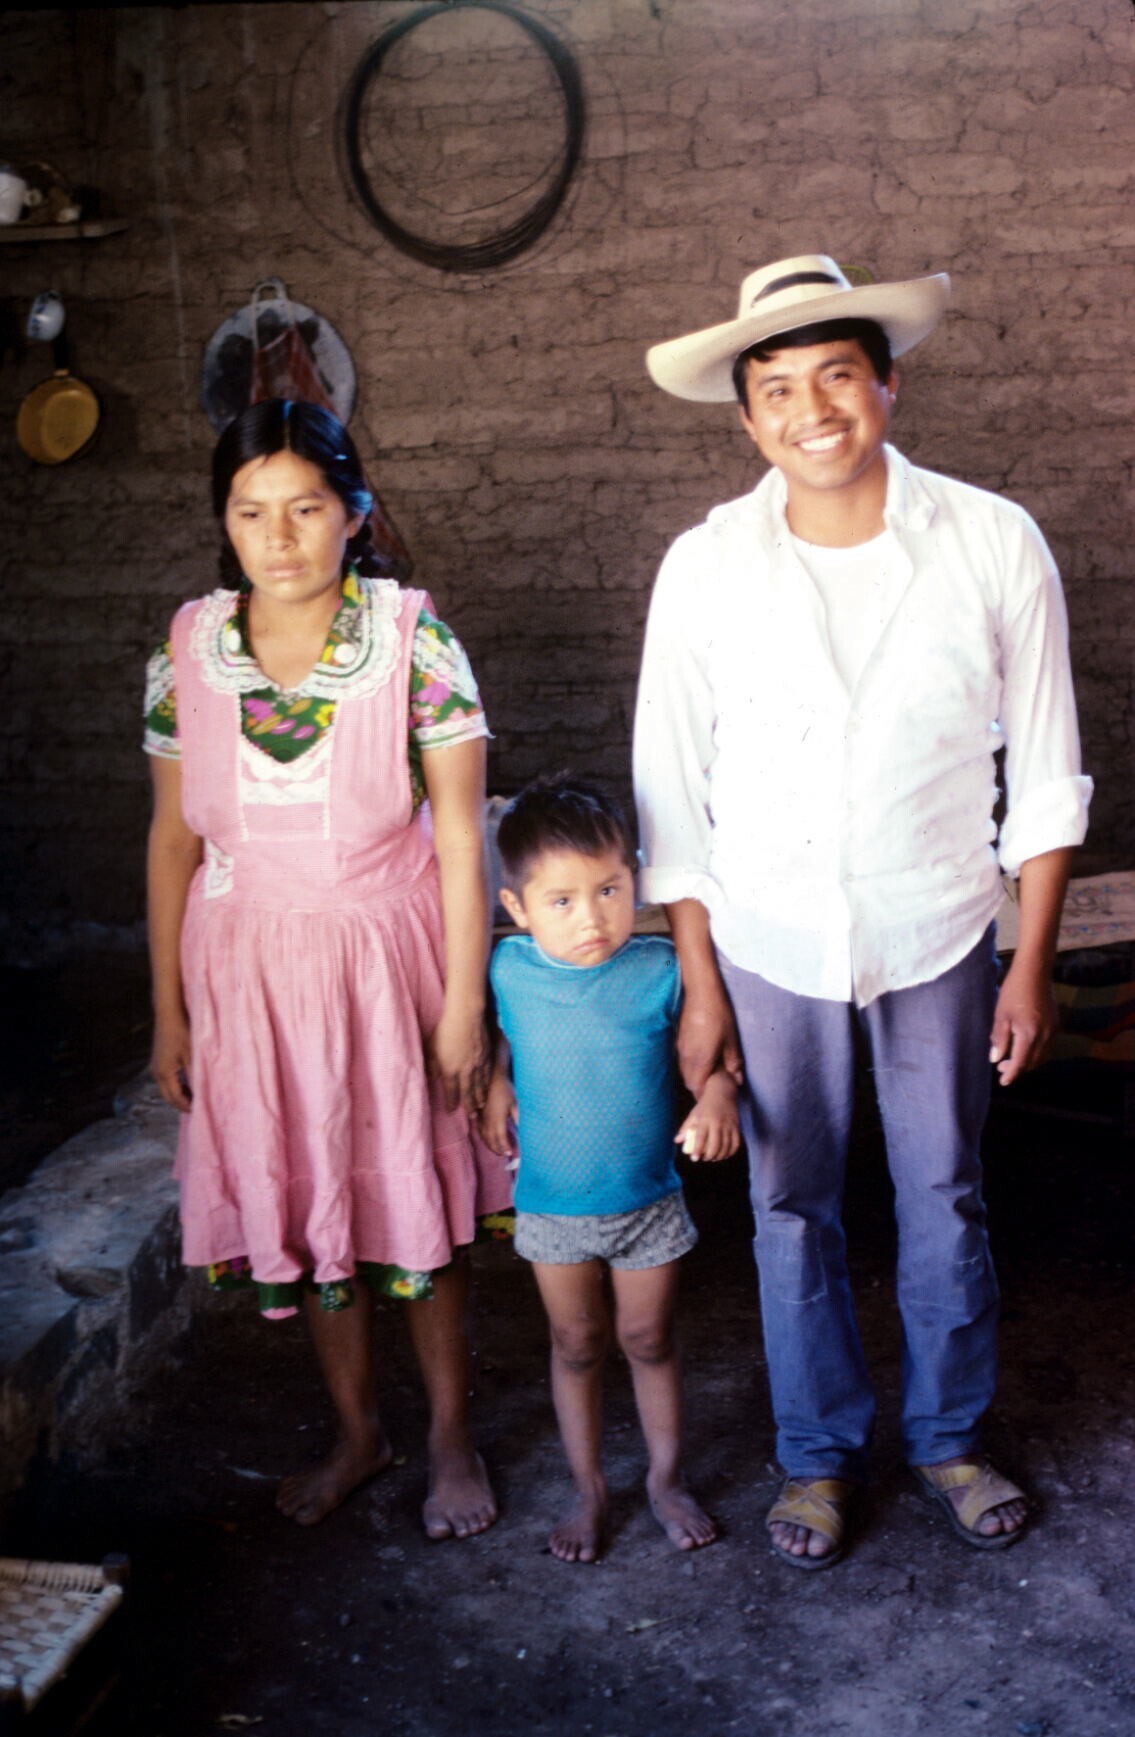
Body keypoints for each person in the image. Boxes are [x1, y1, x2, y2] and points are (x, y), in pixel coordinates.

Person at [634, 255, 1092, 1568]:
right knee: (789, 1201)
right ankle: (817, 1454)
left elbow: (1044, 769)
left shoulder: (988, 539)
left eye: (835, 374)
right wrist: (702, 983)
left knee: (943, 1188)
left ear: (885, 385)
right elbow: (670, 787)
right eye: (776, 388)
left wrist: (1027, 960)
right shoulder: (706, 566)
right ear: (746, 419)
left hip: (938, 924)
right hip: (769, 933)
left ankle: (947, 1437)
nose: (811, 410)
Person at [144, 398, 512, 1537]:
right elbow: (172, 842)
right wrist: (168, 1012)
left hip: (387, 962)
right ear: (224, 521)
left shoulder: (413, 644)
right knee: (305, 1195)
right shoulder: (188, 652)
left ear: (355, 513)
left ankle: (448, 1434)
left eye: (306, 507)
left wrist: (464, 1007)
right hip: (246, 973)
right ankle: (359, 1431)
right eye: (250, 511)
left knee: (413, 1188)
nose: (280, 536)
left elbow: (462, 839)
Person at [479, 775, 739, 1563]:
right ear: (517, 906)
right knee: (576, 1342)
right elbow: (503, 1035)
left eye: (608, 890)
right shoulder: (507, 968)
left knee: (648, 1337)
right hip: (550, 1207)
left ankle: (665, 1478)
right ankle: (587, 1486)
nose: (590, 918)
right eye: (560, 900)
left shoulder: (662, 969)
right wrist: (496, 1079)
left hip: (647, 1201)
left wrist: (717, 1096)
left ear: (636, 880)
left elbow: (713, 1059)